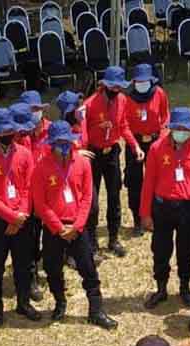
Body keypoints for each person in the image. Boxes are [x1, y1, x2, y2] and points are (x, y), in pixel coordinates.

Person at [32, 121, 118, 330]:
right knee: (52, 268)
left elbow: (88, 197)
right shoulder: (41, 167)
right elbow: (40, 203)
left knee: (88, 268)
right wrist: (58, 227)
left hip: (78, 228)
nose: (64, 146)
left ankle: (96, 310)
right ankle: (60, 302)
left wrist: (78, 225)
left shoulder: (82, 163)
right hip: (54, 229)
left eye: (67, 142)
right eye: (59, 142)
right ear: (51, 144)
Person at [140, 107, 190, 309]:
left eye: (186, 128)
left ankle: (185, 288)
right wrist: (145, 213)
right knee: (161, 249)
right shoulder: (156, 148)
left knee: (186, 249)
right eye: (178, 127)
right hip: (162, 207)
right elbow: (148, 183)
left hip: (187, 208)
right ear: (171, 128)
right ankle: (161, 289)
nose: (182, 131)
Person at [0, 108, 40, 327]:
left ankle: (23, 303)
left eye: (11, 130)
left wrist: (21, 214)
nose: (8, 134)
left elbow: (29, 186)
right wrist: (11, 217)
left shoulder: (24, 154)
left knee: (23, 264)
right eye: (3, 130)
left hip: (22, 217)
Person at [81, 66, 141, 256]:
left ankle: (113, 239)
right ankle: (92, 243)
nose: (116, 91)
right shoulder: (90, 104)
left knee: (114, 196)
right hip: (93, 154)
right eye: (113, 87)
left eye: (119, 87)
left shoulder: (122, 100)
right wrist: (81, 150)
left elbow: (123, 126)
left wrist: (135, 146)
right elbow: (82, 133)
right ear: (104, 85)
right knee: (93, 202)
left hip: (112, 153)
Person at [124, 64, 170, 239]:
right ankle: (137, 219)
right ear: (134, 81)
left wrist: (161, 140)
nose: (142, 83)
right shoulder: (127, 97)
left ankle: (154, 216)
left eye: (146, 81)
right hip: (135, 143)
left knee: (156, 180)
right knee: (135, 181)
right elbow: (124, 124)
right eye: (139, 81)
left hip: (155, 142)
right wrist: (134, 145)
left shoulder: (159, 93)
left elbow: (166, 117)